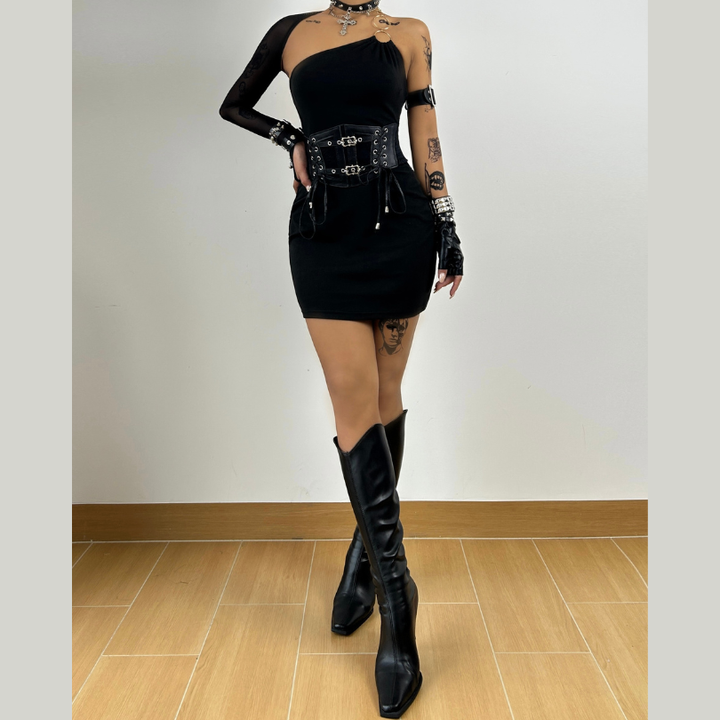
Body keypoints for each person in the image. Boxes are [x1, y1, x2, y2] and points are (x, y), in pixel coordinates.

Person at [219, 3, 464, 717]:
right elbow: (234, 104)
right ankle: (398, 594)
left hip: (401, 222)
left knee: (384, 394)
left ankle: (366, 564)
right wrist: (289, 137)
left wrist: (448, 223)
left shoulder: (410, 34)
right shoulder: (291, 33)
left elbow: (425, 129)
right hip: (324, 228)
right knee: (352, 396)